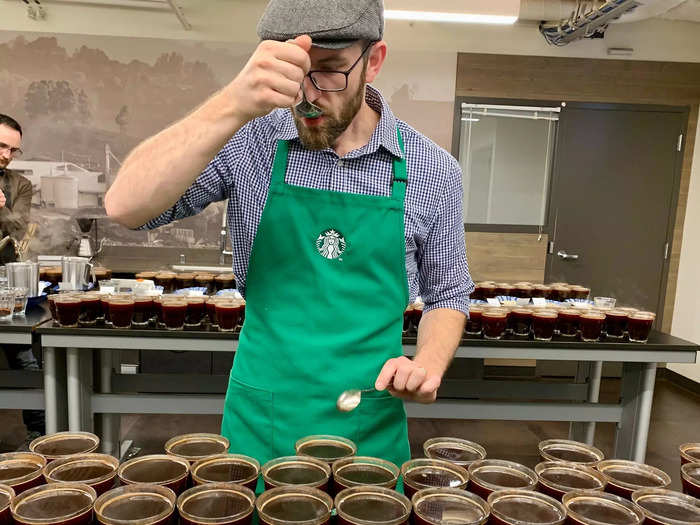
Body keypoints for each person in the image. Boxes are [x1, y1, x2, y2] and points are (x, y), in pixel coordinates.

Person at [106, 0, 473, 468]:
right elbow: (126, 207)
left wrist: (427, 366)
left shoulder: (431, 169)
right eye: (292, 71)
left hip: (369, 417)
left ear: (374, 61)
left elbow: (449, 292)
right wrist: (231, 103)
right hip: (261, 418)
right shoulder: (249, 141)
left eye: (329, 71)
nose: (307, 95)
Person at [0, 114, 45, 442]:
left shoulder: (19, 186)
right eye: (2, 145)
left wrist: (1, 209)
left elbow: (18, 228)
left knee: (24, 358)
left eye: (13, 150)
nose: (7, 154)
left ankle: (39, 435)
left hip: (5, 284)